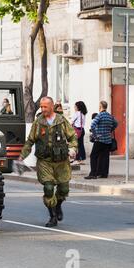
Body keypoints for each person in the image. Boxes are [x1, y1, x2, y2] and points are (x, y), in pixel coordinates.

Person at [19, 97, 77, 227]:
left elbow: (72, 136)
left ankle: (58, 205)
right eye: (41, 106)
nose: (42, 109)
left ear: (51, 107)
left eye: (45, 107)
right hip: (45, 161)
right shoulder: (38, 122)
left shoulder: (61, 121)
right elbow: (30, 141)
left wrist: (73, 148)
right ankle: (53, 216)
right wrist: (22, 156)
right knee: (49, 188)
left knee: (64, 188)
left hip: (61, 162)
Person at [85, 101, 118, 179]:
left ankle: (93, 173)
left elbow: (92, 125)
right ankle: (104, 174)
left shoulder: (99, 116)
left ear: (100, 107)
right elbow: (116, 124)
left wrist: (95, 135)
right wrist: (110, 130)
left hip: (99, 140)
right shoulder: (110, 116)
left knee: (93, 156)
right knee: (105, 157)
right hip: (108, 140)